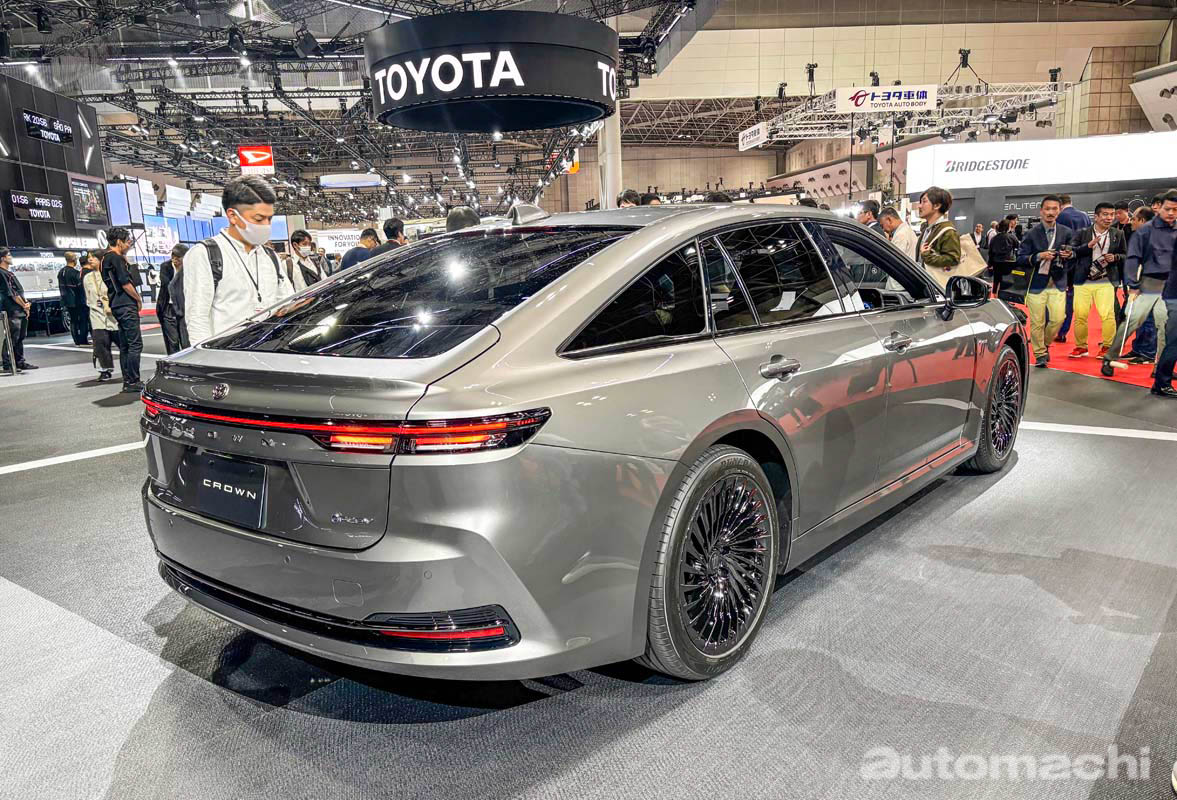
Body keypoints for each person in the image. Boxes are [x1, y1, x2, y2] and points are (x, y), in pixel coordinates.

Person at [183, 176, 293, 346]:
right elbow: (197, 317)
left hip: (269, 349)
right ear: (233, 216)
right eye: (259, 219)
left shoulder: (270, 256)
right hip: (227, 352)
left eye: (269, 219)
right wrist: (204, 357)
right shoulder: (205, 254)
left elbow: (286, 300)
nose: (266, 225)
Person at [1102, 191, 1177, 377]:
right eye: (1168, 208)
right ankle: (1109, 358)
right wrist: (1133, 285)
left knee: (1165, 327)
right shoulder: (1145, 231)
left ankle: (1161, 367)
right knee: (1132, 321)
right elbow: (1133, 259)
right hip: (1148, 285)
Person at [1016, 195, 1074, 368]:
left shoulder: (1066, 232)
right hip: (1036, 283)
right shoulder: (1031, 233)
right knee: (1037, 322)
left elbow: (1074, 254)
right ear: (1041, 211)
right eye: (1047, 209)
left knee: (1058, 318)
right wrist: (1038, 256)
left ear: (1059, 211)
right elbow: (1020, 258)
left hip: (1058, 281)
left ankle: (1045, 344)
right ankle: (1040, 353)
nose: (1050, 212)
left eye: (1054, 209)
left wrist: (1069, 254)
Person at [1066, 202, 1126, 359]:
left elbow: (1125, 254)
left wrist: (1116, 257)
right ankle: (1081, 347)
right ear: (1096, 216)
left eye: (1111, 215)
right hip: (1083, 280)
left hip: (1105, 279)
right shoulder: (1083, 233)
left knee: (1108, 315)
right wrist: (1088, 246)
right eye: (1105, 214)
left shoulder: (1117, 234)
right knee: (1080, 316)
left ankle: (1107, 346)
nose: (1109, 218)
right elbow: (1072, 252)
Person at [101, 227, 144, 392]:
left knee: (125, 345)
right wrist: (138, 299)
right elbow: (125, 283)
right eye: (127, 241)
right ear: (119, 242)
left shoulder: (105, 258)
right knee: (135, 344)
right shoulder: (116, 258)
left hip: (116, 304)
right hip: (126, 304)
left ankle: (128, 381)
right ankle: (133, 380)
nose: (129, 244)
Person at [82, 251, 117, 381]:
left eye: (93, 257)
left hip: (113, 314)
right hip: (96, 313)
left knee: (123, 342)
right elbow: (88, 296)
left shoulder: (110, 274)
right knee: (100, 342)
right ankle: (104, 370)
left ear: (101, 259)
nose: (90, 260)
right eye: (89, 257)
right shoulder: (87, 278)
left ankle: (129, 370)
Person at [0, 247, 36, 373]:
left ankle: (19, 361)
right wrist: (24, 305)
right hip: (12, 310)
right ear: (3, 258)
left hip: (19, 309)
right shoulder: (2, 273)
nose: (11, 257)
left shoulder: (9, 273)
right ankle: (8, 363)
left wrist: (25, 304)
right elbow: (12, 293)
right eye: (9, 255)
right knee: (12, 337)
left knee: (20, 337)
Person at [915, 186, 962, 276]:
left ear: (937, 205)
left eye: (924, 201)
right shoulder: (928, 229)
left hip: (935, 282)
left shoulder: (948, 231)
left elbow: (953, 259)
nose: (919, 206)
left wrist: (927, 256)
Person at [157, 243, 186, 355]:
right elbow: (168, 285)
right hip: (168, 308)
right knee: (173, 341)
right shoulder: (165, 267)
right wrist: (178, 271)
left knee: (185, 341)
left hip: (183, 307)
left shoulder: (188, 267)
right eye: (174, 256)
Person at [57, 251, 89, 346]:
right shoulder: (75, 273)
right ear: (74, 260)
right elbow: (80, 288)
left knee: (73, 320)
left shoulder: (61, 272)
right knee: (82, 320)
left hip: (66, 300)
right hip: (77, 300)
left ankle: (76, 340)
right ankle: (83, 340)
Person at [987, 218, 1020, 295]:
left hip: (996, 262)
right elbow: (1018, 247)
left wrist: (990, 264)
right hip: (1008, 262)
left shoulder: (994, 238)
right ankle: (1004, 296)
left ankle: (994, 296)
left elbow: (990, 252)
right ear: (1008, 227)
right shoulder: (1011, 237)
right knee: (1006, 281)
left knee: (996, 280)